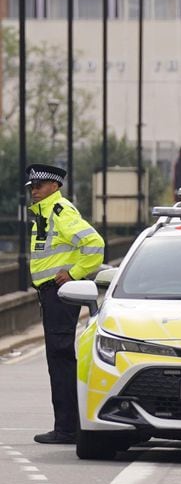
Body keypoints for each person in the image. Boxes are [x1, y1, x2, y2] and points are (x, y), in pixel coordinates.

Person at [26, 164, 105, 445]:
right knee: (59, 359)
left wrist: (73, 273)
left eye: (41, 185)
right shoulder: (44, 214)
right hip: (50, 294)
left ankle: (67, 428)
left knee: (60, 360)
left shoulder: (61, 212)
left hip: (58, 294)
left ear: (55, 186)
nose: (35, 190)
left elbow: (95, 245)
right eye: (32, 186)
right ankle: (68, 426)